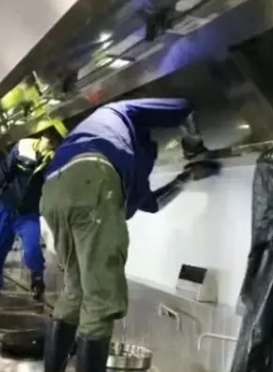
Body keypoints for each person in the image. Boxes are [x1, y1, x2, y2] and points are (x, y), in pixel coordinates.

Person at [40, 98, 221, 372]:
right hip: (91, 177)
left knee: (75, 290)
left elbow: (147, 204)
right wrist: (193, 147)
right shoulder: (121, 111)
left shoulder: (113, 145)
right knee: (101, 300)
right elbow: (184, 107)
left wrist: (185, 178)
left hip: (53, 190)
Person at [0, 134, 59, 301]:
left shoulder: (56, 159)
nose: (50, 142)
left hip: (29, 213)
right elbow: (6, 169)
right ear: (42, 137)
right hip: (6, 206)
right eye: (48, 138)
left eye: (54, 141)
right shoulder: (23, 146)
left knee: (32, 250)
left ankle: (37, 280)